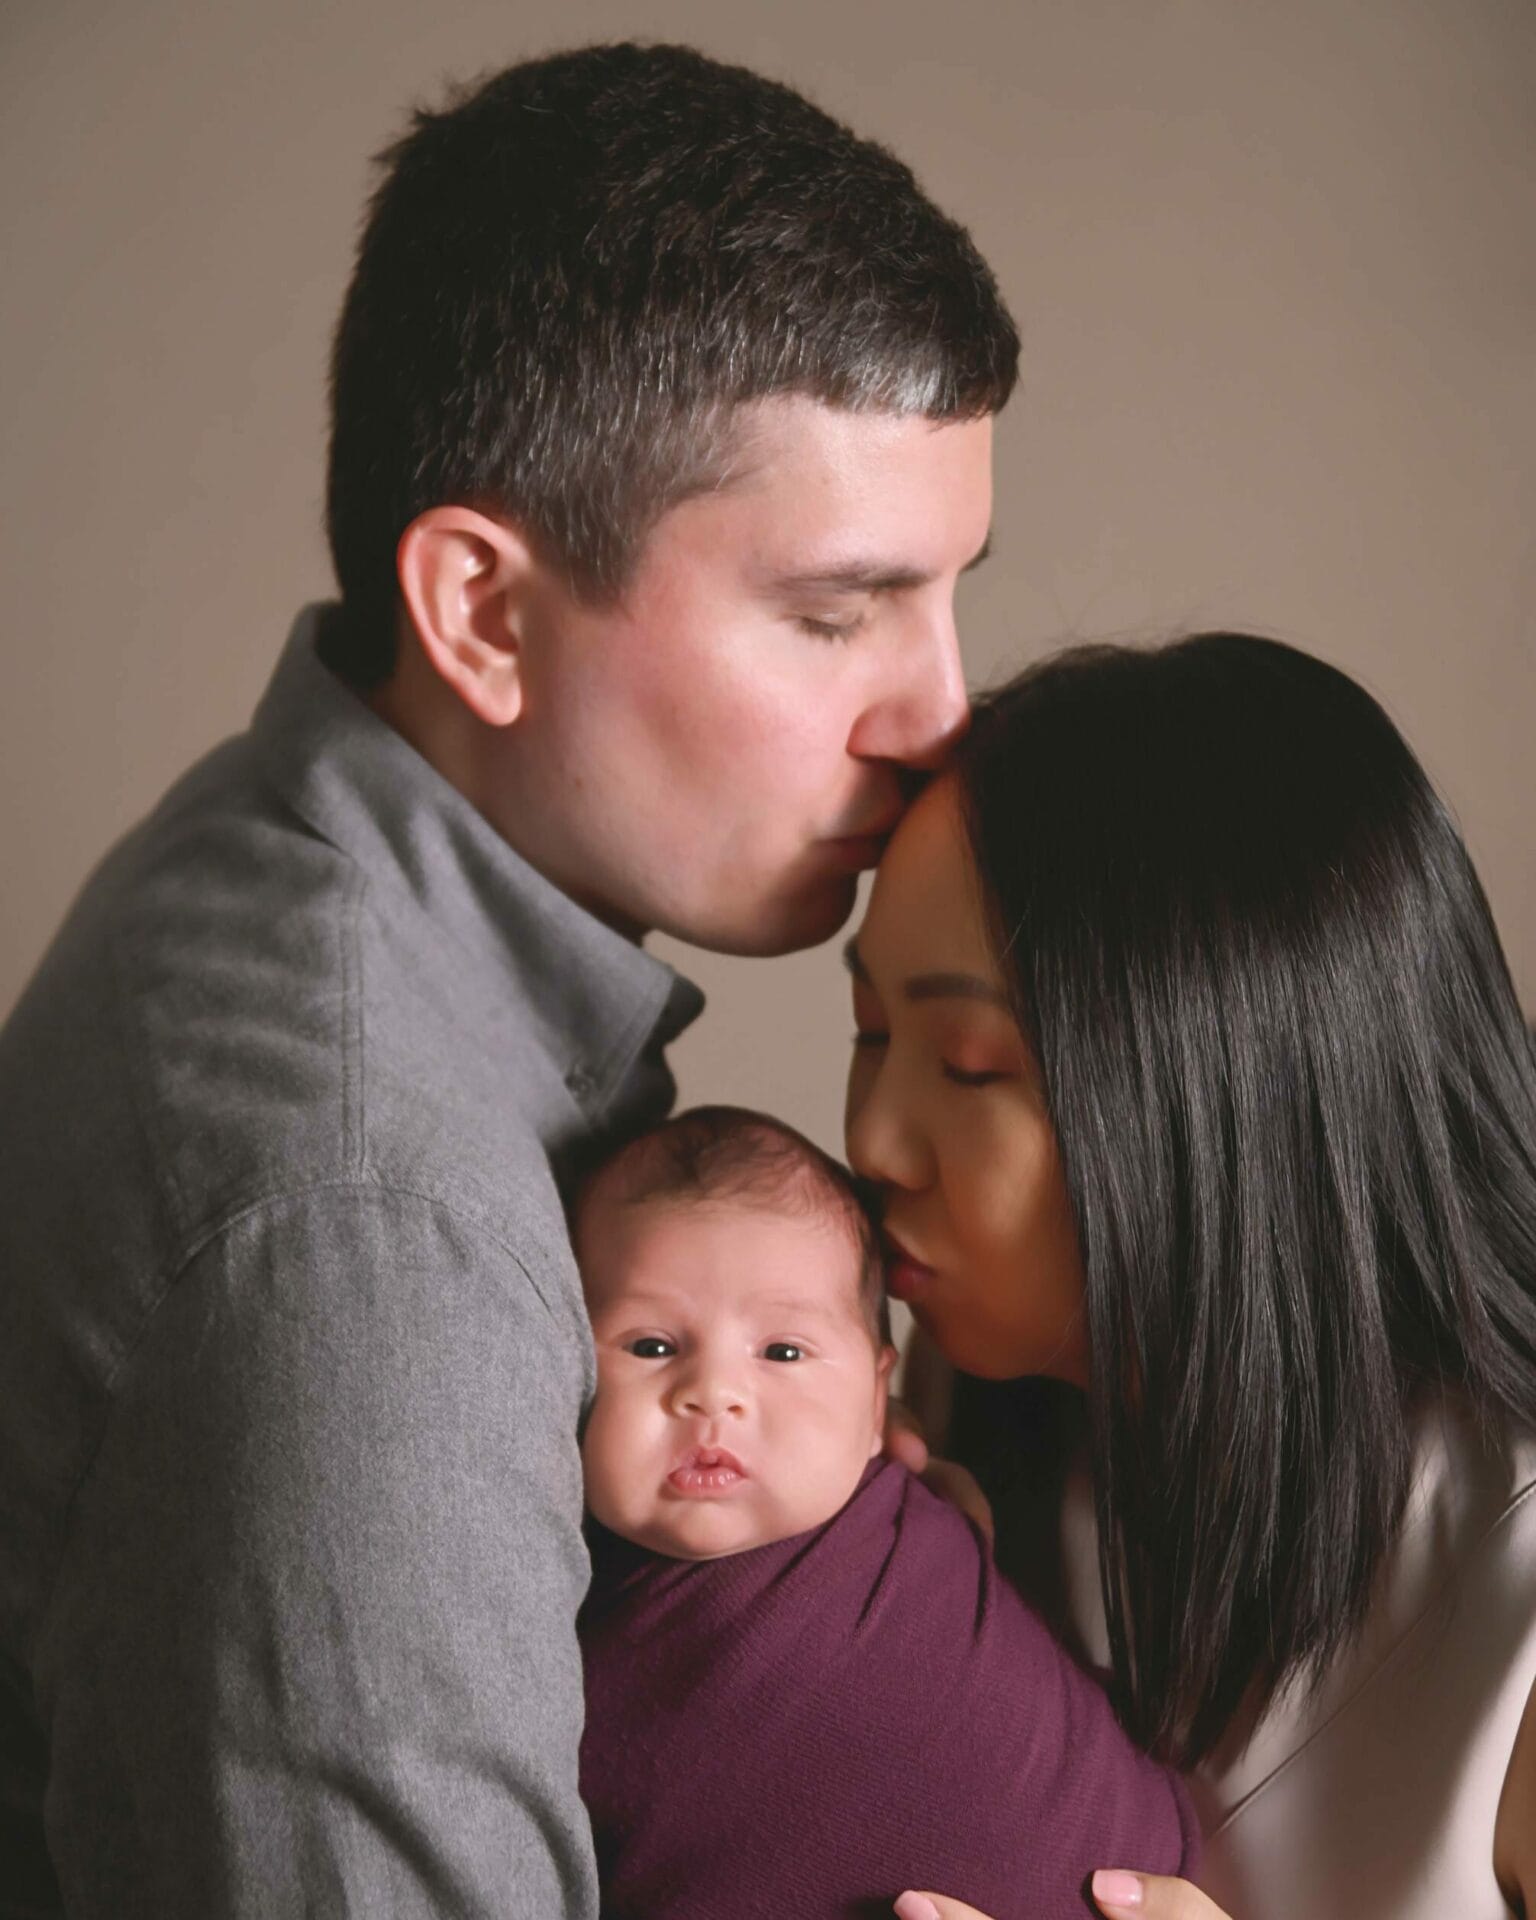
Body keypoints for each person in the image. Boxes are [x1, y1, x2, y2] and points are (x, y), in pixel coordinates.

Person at [0, 42, 1015, 1917]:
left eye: (950, 590)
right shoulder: (371, 1230)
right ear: (480, 610)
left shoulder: (271, 844)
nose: (939, 712)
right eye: (831, 611)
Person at [842, 632, 1536, 1920]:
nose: (872, 1140)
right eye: (870, 1033)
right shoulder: (957, 1460)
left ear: (1226, 1083)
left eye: (971, 1061)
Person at [572, 1105, 1198, 1920]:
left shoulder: (917, 1531)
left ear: (876, 1401)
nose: (713, 1394)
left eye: (783, 1352)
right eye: (651, 1346)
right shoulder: (556, 1613)